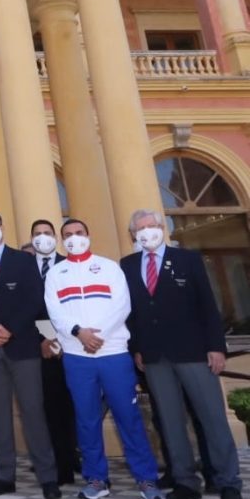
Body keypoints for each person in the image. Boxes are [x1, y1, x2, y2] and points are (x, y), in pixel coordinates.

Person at [121, 209, 242, 499]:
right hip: (154, 356)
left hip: (194, 352)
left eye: (152, 225)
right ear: (133, 235)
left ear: (162, 228)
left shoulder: (188, 260)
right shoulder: (127, 265)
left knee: (212, 418)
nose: (147, 231)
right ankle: (186, 481)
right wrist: (136, 346)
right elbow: (130, 313)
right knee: (171, 421)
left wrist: (216, 346)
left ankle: (228, 481)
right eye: (141, 228)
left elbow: (208, 305)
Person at [45, 218, 162, 499]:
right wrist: (79, 333)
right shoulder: (56, 273)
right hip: (76, 355)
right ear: (63, 241)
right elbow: (56, 311)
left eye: (79, 233)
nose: (74, 238)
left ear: (89, 235)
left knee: (128, 416)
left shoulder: (110, 267)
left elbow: (122, 305)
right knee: (87, 419)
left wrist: (99, 336)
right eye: (68, 235)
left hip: (113, 353)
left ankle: (146, 479)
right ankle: (96, 479)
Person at [0, 211, 59, 499]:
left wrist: (11, 328)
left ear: (1, 228)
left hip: (22, 347)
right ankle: (4, 475)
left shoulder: (24, 260)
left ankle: (48, 477)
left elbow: (34, 299)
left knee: (33, 412)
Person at [30, 219, 78, 487]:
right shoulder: (24, 267)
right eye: (37, 234)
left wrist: (61, 339)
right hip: (39, 349)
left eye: (47, 233)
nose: (42, 238)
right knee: (47, 408)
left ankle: (73, 458)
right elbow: (26, 308)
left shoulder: (69, 264)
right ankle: (57, 466)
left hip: (72, 345)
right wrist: (45, 340)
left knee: (72, 407)